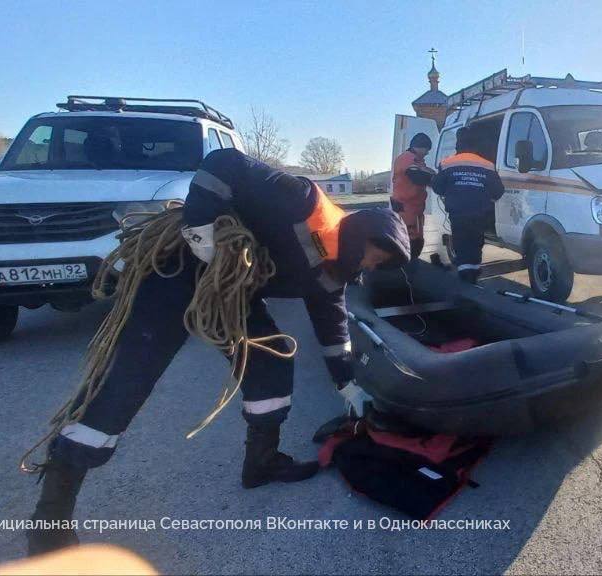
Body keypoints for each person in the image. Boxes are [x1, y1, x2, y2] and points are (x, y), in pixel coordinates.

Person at [26, 148, 410, 555]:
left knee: (272, 358)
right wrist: (201, 231)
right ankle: (51, 519)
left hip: (233, 291)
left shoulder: (333, 274)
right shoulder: (300, 200)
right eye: (376, 255)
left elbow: (333, 330)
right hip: (178, 271)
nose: (370, 266)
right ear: (364, 235)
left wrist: (347, 384)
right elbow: (224, 162)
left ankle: (260, 462)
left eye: (379, 264)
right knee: (127, 381)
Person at [430, 128, 505, 283]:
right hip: (479, 211)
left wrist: (450, 191)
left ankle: (465, 274)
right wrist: (488, 198)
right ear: (476, 144)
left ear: (458, 144)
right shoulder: (487, 165)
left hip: (457, 211)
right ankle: (473, 271)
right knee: (475, 241)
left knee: (461, 240)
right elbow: (498, 190)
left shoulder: (447, 163)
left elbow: (437, 186)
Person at [391, 132, 435, 260]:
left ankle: (410, 263)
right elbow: (418, 176)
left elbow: (423, 173)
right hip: (407, 206)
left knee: (416, 239)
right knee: (411, 240)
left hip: (413, 206)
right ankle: (407, 266)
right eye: (426, 149)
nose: (427, 153)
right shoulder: (407, 159)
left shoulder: (414, 160)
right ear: (420, 147)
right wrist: (436, 179)